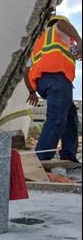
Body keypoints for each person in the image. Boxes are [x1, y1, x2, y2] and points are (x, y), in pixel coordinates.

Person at [25, 13, 82, 163]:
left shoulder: (39, 43)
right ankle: (41, 157)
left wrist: (32, 92)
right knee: (57, 117)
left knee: (70, 116)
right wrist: (80, 42)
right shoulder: (58, 28)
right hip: (57, 79)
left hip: (44, 84)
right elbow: (64, 25)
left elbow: (26, 72)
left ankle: (69, 154)